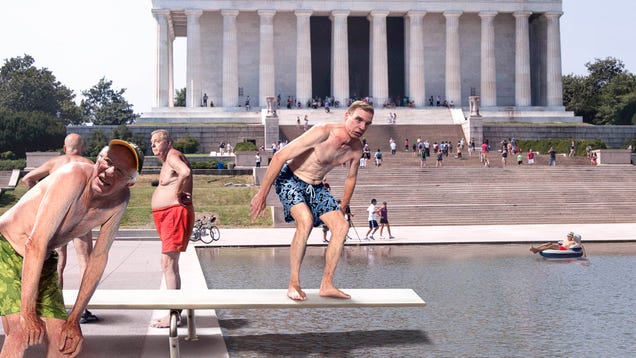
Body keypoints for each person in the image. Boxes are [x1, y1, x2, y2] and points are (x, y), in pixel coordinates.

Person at [0, 139, 143, 357]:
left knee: (66, 344)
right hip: (6, 245)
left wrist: (75, 318)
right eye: (108, 161)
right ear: (98, 159)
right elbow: (35, 243)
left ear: (130, 182)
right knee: (21, 331)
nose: (110, 171)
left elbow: (99, 257)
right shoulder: (73, 176)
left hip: (42, 258)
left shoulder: (120, 200)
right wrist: (28, 313)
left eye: (121, 171)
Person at [250, 100, 374, 301]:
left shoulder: (356, 149)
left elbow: (351, 178)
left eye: (367, 123)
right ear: (346, 117)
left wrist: (342, 206)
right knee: (305, 221)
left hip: (315, 187)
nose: (362, 127)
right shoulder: (323, 131)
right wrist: (262, 194)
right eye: (358, 120)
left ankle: (327, 284)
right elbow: (280, 156)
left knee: (342, 227)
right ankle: (294, 284)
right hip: (290, 178)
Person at [20, 133, 99, 324]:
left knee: (58, 261)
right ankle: (83, 309)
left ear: (65, 148)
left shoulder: (55, 163)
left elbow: (28, 178)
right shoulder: (88, 163)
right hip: (79, 216)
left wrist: (39, 196)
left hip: (57, 216)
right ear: (82, 147)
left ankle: (55, 307)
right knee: (84, 259)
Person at [149, 130, 195, 328]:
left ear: (169, 142)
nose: (154, 145)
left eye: (158, 141)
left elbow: (185, 172)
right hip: (167, 215)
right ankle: (174, 312)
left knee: (168, 263)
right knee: (169, 263)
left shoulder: (173, 155)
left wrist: (177, 193)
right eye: (152, 143)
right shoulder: (167, 160)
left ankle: (174, 315)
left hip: (174, 213)